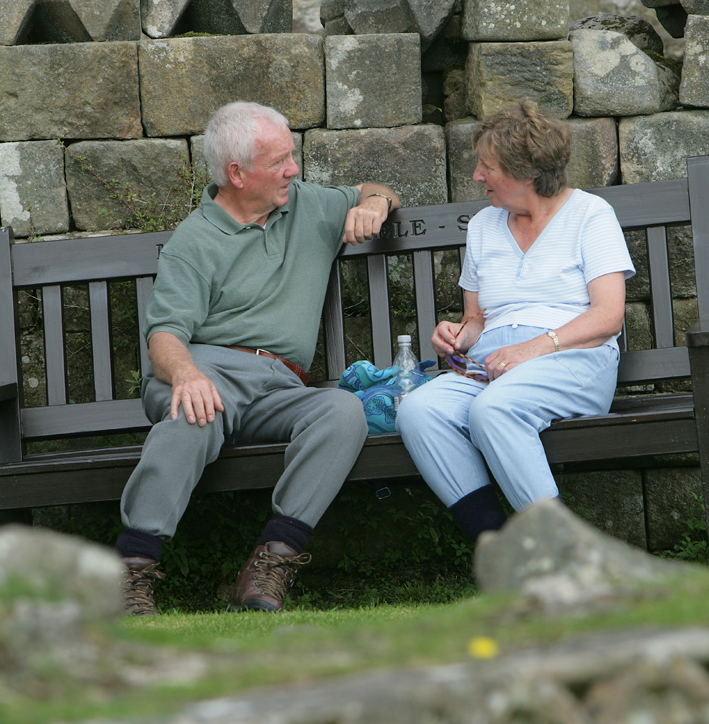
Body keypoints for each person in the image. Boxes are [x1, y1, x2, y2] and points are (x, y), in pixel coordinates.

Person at [117, 101, 400, 615]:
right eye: (280, 162)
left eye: (292, 157)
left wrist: (375, 205)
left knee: (342, 412)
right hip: (208, 372)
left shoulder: (308, 206)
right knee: (191, 416)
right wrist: (186, 375)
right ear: (237, 173)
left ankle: (272, 561)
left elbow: (376, 189)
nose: (293, 170)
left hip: (279, 389)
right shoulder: (194, 241)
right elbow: (164, 336)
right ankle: (132, 571)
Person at [395, 99, 635, 543]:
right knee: (418, 410)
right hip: (491, 366)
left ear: (526, 174)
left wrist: (532, 349)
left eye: (487, 167)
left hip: (573, 359)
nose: (477, 176)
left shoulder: (589, 216)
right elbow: (476, 320)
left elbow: (608, 316)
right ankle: (498, 547)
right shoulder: (485, 225)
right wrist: (455, 336)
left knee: (495, 409)